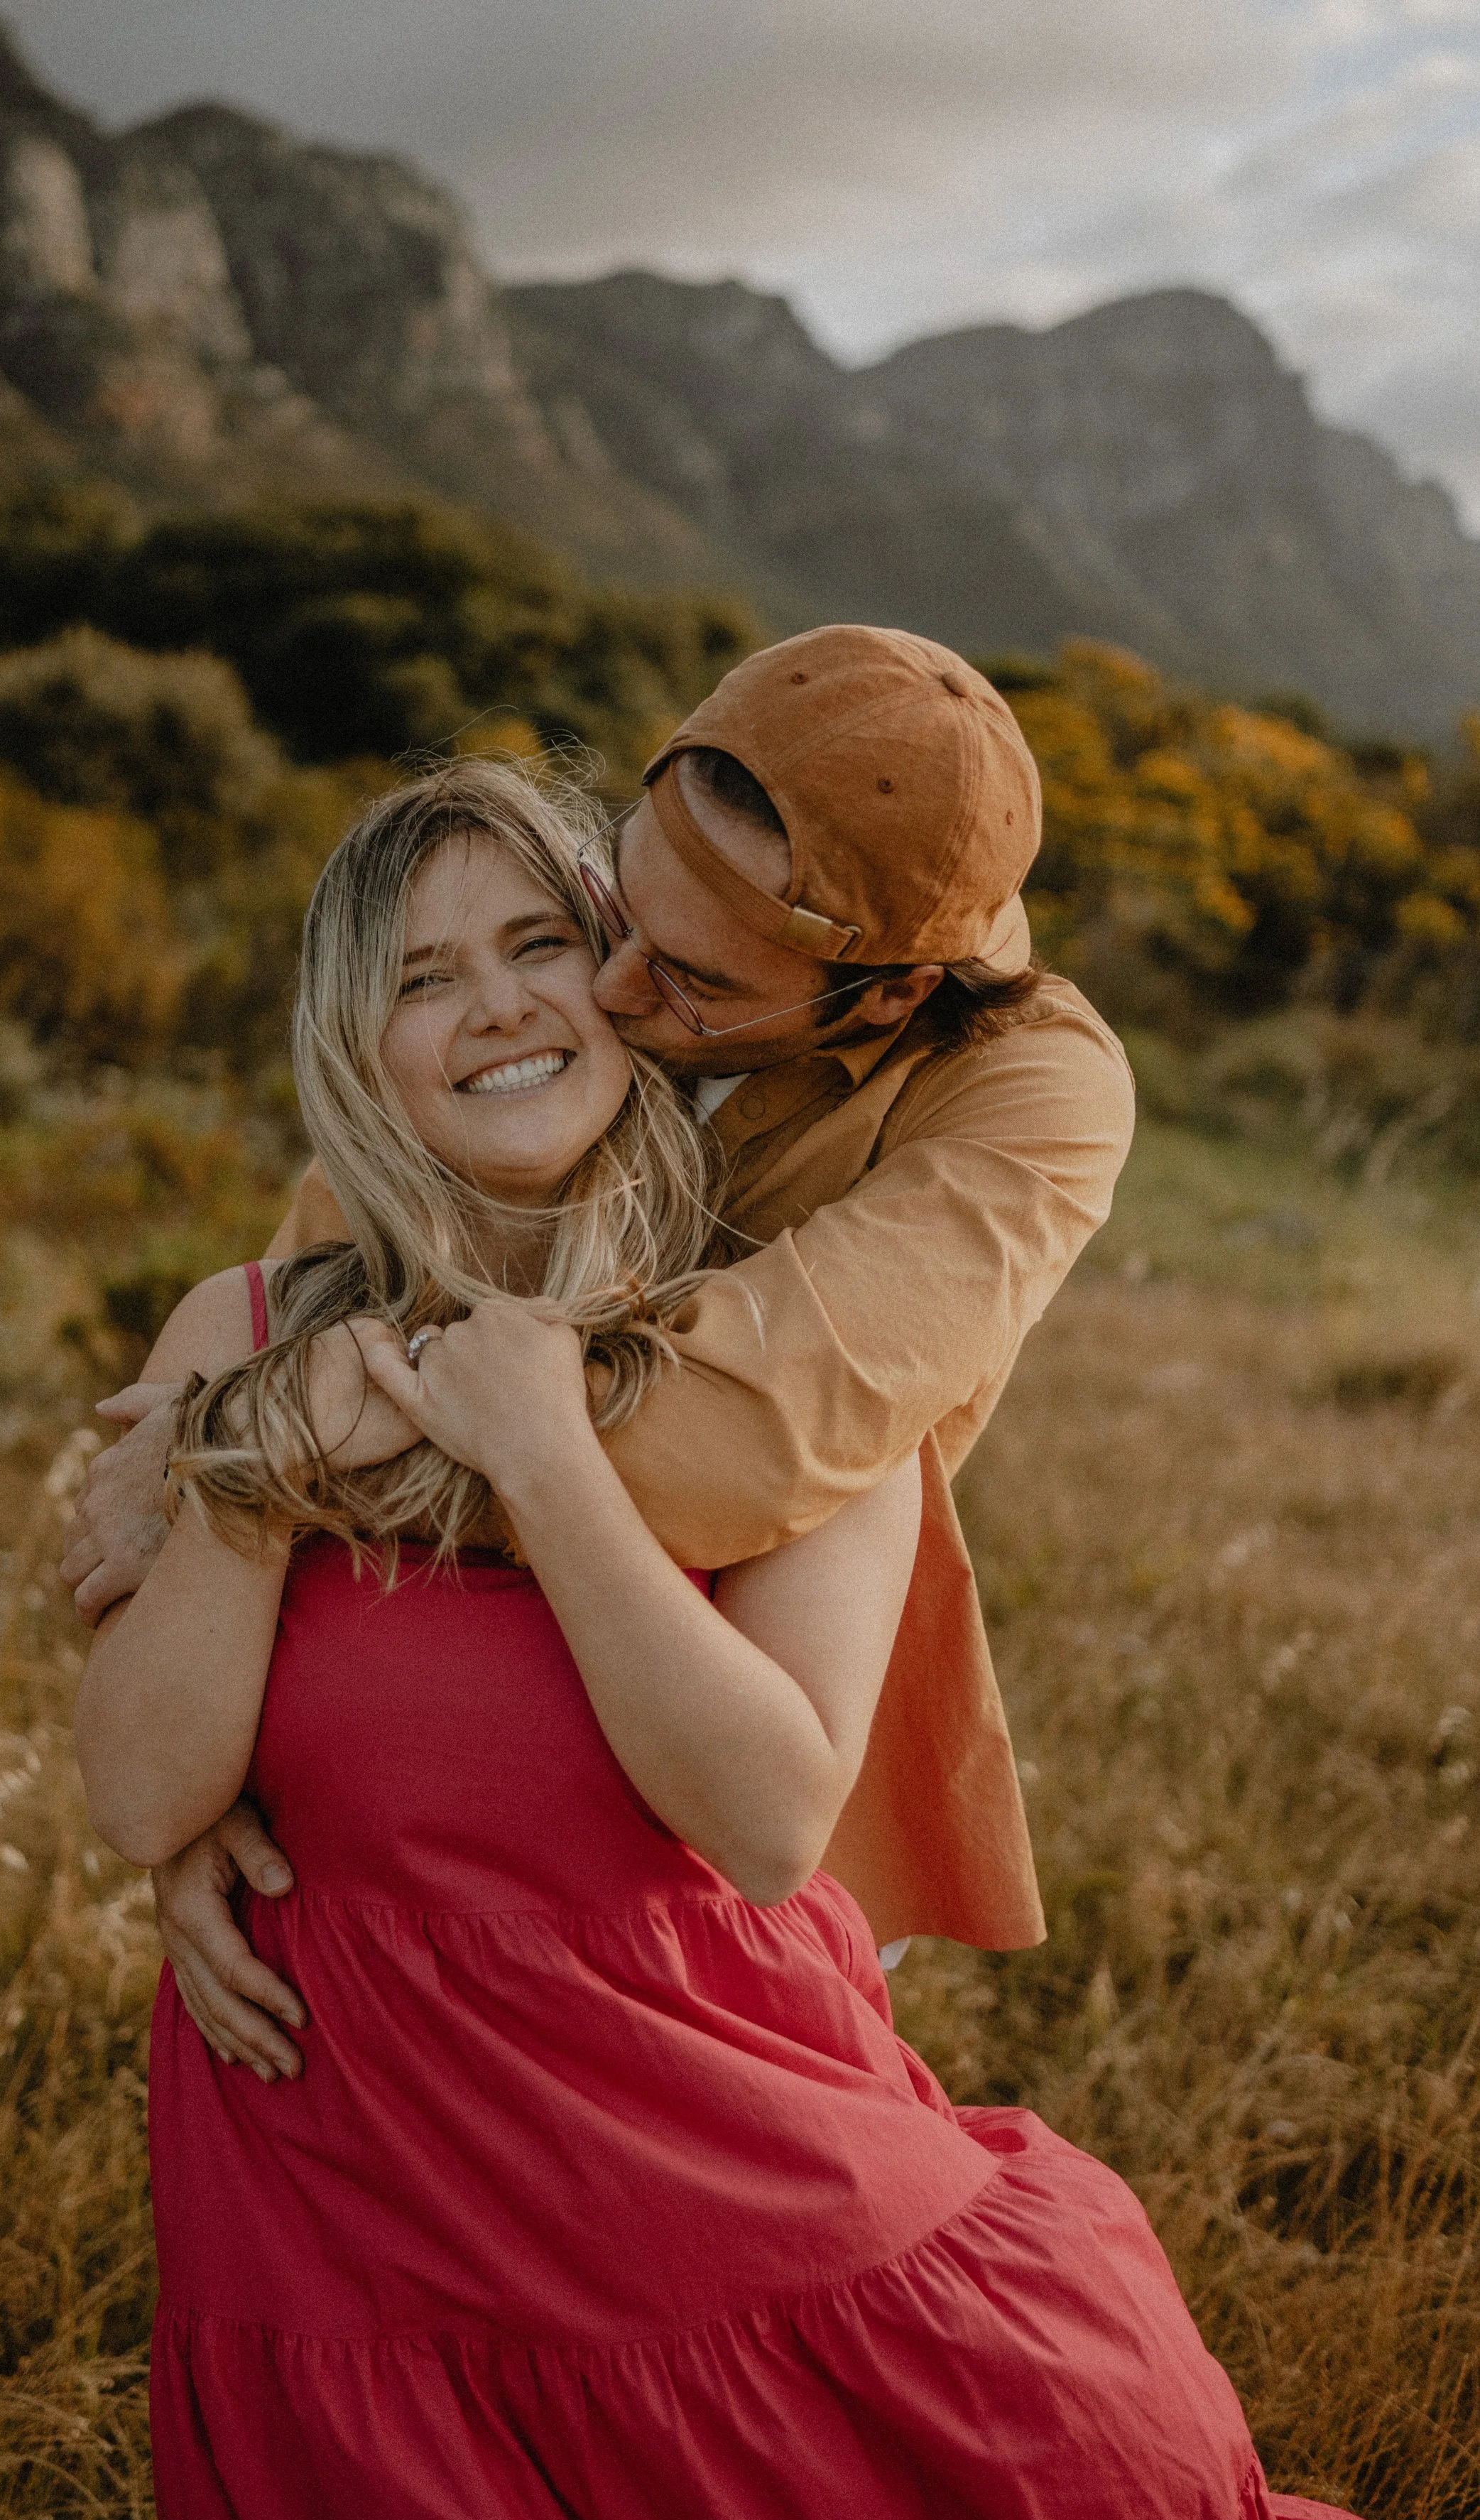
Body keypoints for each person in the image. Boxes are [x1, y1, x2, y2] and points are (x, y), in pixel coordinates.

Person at [74, 750, 1478, 2520]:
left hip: (699, 2159)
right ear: (356, 1039)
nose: (490, 1004)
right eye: (419, 976)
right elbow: (146, 1786)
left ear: (627, 976)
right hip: (343, 2197)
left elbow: (762, 1813)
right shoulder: (241, 1330)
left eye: (537, 942)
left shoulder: (792, 1352)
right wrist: (253, 1466)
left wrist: (552, 1465)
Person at [62, 626, 1136, 2078]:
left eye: (684, 976)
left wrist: (259, 1460)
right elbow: (366, 1230)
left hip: (715, 1753)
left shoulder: (1033, 1094)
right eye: (604, 908)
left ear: (875, 997)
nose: (613, 985)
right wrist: (223, 1719)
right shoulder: (571, 1009)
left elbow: (741, 1437)